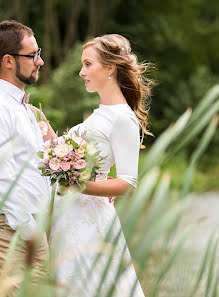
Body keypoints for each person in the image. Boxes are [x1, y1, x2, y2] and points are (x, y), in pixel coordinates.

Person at [49, 34, 153, 296]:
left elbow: (128, 184)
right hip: (68, 218)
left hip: (89, 224)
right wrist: (48, 136)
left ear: (109, 68)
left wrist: (77, 185)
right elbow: (74, 160)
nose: (81, 71)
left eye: (87, 64)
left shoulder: (122, 119)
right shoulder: (100, 114)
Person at [0, 20, 52, 295]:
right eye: (33, 55)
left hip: (18, 223)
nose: (40, 61)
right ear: (8, 60)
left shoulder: (21, 107)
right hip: (10, 225)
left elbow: (32, 167)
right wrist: (28, 228)